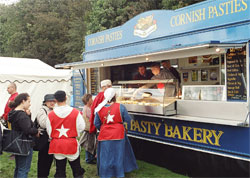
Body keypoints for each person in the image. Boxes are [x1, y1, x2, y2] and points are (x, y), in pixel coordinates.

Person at [94, 88, 138, 178]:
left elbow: (96, 123)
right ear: (115, 96)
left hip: (104, 135)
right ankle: (118, 174)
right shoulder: (120, 107)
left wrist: (103, 128)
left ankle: (106, 174)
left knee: (105, 156)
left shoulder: (99, 108)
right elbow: (128, 120)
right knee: (118, 155)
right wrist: (126, 128)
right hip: (119, 134)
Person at [46, 90, 85, 178]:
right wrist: (74, 133)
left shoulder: (51, 114)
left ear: (55, 100)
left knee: (60, 171)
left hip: (57, 144)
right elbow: (82, 127)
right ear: (66, 98)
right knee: (77, 170)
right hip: (71, 143)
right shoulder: (75, 112)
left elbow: (49, 131)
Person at [8, 93, 39, 178]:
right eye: (28, 101)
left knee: (19, 168)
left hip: (17, 142)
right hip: (24, 144)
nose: (30, 104)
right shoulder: (21, 115)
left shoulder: (13, 113)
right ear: (23, 101)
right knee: (23, 169)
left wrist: (28, 116)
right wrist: (37, 131)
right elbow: (28, 130)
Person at [36, 94, 55, 178]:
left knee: (49, 160)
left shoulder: (54, 110)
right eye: (50, 101)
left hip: (52, 139)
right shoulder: (42, 110)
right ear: (45, 102)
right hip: (44, 139)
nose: (52, 103)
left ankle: (45, 175)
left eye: (53, 101)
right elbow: (43, 124)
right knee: (43, 160)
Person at [79, 94, 96, 164]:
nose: (93, 100)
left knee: (90, 143)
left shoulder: (86, 107)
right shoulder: (88, 109)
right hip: (89, 128)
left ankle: (90, 157)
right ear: (87, 101)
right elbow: (92, 117)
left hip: (89, 128)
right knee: (89, 144)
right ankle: (89, 159)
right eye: (91, 99)